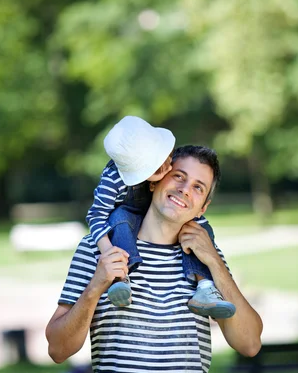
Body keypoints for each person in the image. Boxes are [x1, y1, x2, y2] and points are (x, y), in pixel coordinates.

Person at [46, 145, 262, 373]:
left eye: (198, 187)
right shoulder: (99, 247)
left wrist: (215, 261)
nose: (184, 190)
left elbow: (249, 343)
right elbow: (58, 349)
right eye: (179, 177)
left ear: (204, 205)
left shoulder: (203, 259)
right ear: (155, 179)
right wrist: (96, 286)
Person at [86, 116, 236, 319]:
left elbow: (249, 345)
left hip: (162, 214)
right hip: (127, 218)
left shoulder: (158, 159)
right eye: (157, 168)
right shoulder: (112, 181)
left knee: (200, 230)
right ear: (145, 177)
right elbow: (96, 215)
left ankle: (204, 285)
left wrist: (213, 258)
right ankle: (121, 278)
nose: (167, 166)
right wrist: (107, 252)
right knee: (118, 216)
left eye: (166, 157)